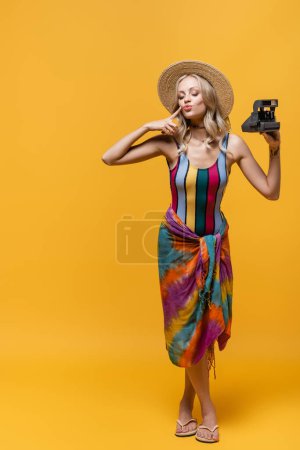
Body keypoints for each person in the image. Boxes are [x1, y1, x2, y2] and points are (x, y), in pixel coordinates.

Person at [101, 60, 281, 443]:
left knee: (200, 329)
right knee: (186, 330)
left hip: (214, 247)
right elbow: (110, 157)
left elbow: (270, 191)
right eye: (180, 95)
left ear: (209, 98)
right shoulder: (172, 143)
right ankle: (208, 410)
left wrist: (275, 151)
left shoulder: (232, 144)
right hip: (176, 247)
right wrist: (147, 127)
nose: (185, 99)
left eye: (193, 92)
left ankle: (186, 402)